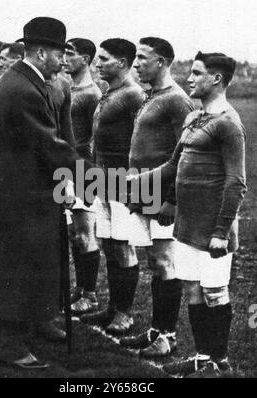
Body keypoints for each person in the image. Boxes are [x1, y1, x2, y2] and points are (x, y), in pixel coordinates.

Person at [0, 17, 90, 370]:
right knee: (20, 271)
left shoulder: (18, 81)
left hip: (11, 193)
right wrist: (95, 181)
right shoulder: (23, 90)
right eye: (58, 54)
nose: (63, 61)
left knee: (1, 267)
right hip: (23, 198)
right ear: (40, 52)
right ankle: (12, 347)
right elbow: (49, 146)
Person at [133, 52, 246, 377]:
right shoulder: (193, 118)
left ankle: (218, 361)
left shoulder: (229, 123)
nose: (189, 78)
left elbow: (236, 182)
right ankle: (202, 359)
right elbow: (173, 167)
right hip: (186, 225)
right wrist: (133, 184)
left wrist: (221, 232)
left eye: (197, 73)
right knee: (193, 290)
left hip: (213, 229)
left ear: (217, 79)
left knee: (214, 292)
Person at [120, 37, 194, 358]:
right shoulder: (150, 96)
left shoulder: (178, 100)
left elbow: (186, 156)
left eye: (142, 58)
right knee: (154, 263)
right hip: (142, 190)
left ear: (162, 61)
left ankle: (168, 336)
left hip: (163, 195)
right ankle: (155, 329)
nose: (136, 64)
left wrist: (173, 201)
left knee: (165, 262)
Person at [81, 38, 144, 334]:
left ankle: (126, 314)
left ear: (121, 62)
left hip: (124, 182)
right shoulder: (110, 92)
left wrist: (135, 185)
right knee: (109, 245)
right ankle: (113, 308)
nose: (97, 63)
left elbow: (142, 143)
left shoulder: (134, 95)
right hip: (102, 178)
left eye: (104, 59)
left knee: (124, 246)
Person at [63, 38, 102, 315]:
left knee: (85, 232)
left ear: (86, 59)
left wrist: (88, 172)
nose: (65, 58)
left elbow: (95, 139)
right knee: (73, 233)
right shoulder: (68, 87)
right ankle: (80, 288)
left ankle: (91, 294)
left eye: (70, 54)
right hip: (64, 168)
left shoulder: (91, 93)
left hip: (84, 170)